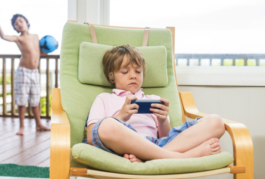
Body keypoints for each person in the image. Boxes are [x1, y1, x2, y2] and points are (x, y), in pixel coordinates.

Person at [86, 45, 225, 162]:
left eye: (138, 71)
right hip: (124, 147)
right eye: (125, 71)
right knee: (107, 125)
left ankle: (150, 157)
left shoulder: (153, 99)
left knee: (216, 122)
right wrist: (121, 116)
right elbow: (91, 137)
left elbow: (166, 137)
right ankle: (183, 157)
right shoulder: (104, 98)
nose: (133, 75)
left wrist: (162, 119)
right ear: (111, 76)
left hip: (158, 144)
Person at [0, 8, 50, 135]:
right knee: (22, 100)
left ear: (27, 22)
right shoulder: (18, 38)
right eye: (16, 23)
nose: (19, 24)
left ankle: (38, 124)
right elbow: (3, 36)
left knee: (35, 100)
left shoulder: (36, 37)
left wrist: (52, 48)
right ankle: (22, 127)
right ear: (16, 28)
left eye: (21, 21)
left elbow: (38, 52)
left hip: (34, 73)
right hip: (23, 72)